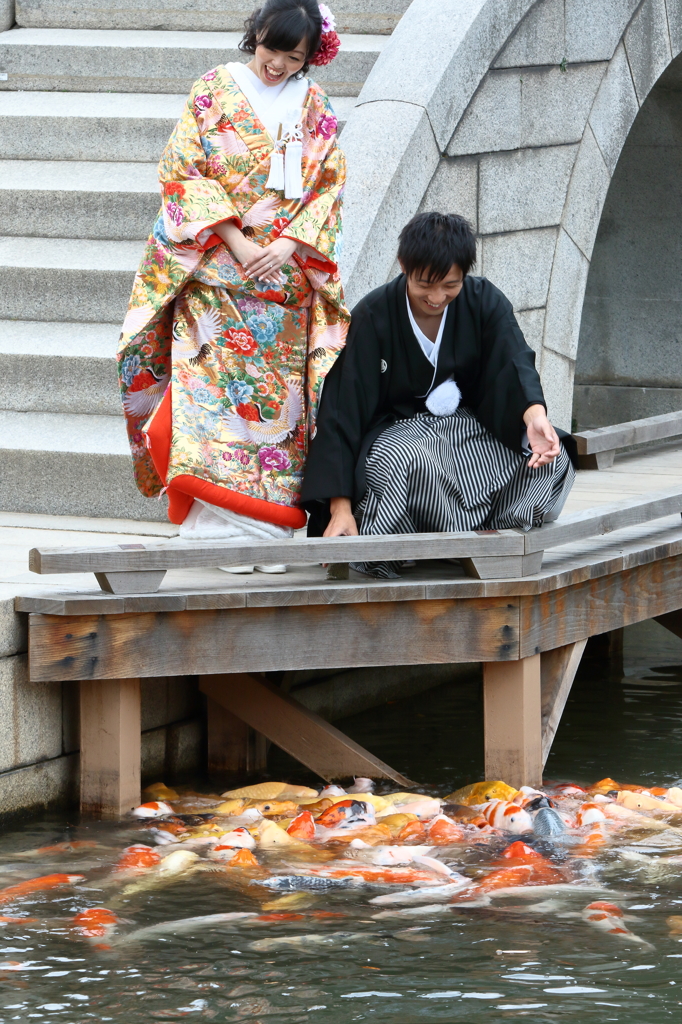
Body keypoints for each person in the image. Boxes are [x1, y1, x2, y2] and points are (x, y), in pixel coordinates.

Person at [118, 0, 349, 573]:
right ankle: (214, 531)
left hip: (284, 283)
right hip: (216, 272)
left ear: (309, 57)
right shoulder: (213, 88)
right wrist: (238, 241)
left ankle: (269, 533)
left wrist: (289, 246)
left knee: (280, 406)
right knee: (214, 404)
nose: (277, 65)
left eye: (293, 57)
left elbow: (328, 186)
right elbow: (183, 172)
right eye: (272, 49)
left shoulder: (314, 106)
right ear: (256, 37)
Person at [301, 212, 576, 578]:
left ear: (464, 273)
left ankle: (489, 534)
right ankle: (405, 540)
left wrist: (534, 416)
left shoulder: (484, 301)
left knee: (550, 460)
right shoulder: (373, 315)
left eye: (450, 285)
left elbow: (514, 361)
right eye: (425, 284)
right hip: (398, 436)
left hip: (467, 431)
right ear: (403, 266)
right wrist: (340, 508)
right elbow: (342, 410)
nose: (436, 297)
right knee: (402, 461)